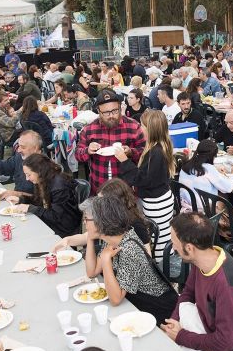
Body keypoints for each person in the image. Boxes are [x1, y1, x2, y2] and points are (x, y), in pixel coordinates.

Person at [162, 212, 233, 351]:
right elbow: (188, 293)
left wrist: (180, 336)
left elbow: (225, 342)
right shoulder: (204, 258)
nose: (173, 247)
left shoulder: (228, 286)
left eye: (174, 242)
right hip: (205, 329)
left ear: (190, 248)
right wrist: (174, 321)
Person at [81, 195, 177, 324]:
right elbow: (91, 272)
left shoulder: (129, 249)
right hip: (136, 304)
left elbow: (115, 299)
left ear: (100, 223)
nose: (84, 223)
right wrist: (90, 238)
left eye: (86, 219)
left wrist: (105, 260)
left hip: (160, 312)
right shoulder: (111, 239)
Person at [115, 110, 175, 258]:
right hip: (159, 199)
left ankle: (163, 273)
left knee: (159, 240)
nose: (140, 128)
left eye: (142, 126)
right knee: (161, 236)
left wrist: (124, 161)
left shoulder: (156, 152)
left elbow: (141, 179)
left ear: (151, 129)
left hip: (157, 203)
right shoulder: (159, 146)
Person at [52, 178, 153, 253]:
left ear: (114, 204)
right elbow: (87, 236)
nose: (98, 205)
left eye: (102, 202)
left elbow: (147, 259)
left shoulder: (135, 225)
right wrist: (67, 240)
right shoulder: (110, 219)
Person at [76, 90, 146, 193]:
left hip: (125, 189)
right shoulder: (89, 129)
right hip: (99, 188)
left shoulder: (133, 126)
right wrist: (87, 151)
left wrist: (131, 152)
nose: (111, 116)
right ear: (99, 112)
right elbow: (78, 154)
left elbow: (145, 152)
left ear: (119, 107)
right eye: (106, 113)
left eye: (115, 111)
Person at [5, 154, 82, 237]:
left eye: (29, 174)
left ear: (39, 171)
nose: (27, 178)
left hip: (63, 228)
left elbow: (57, 217)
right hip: (53, 221)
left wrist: (30, 208)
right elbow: (40, 201)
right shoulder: (44, 179)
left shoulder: (59, 187)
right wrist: (21, 200)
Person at [0, 130, 40, 199]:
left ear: (35, 148)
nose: (19, 150)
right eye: (19, 146)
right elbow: (5, 165)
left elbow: (41, 200)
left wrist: (18, 194)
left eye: (23, 147)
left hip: (31, 206)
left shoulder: (45, 168)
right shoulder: (20, 157)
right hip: (16, 201)